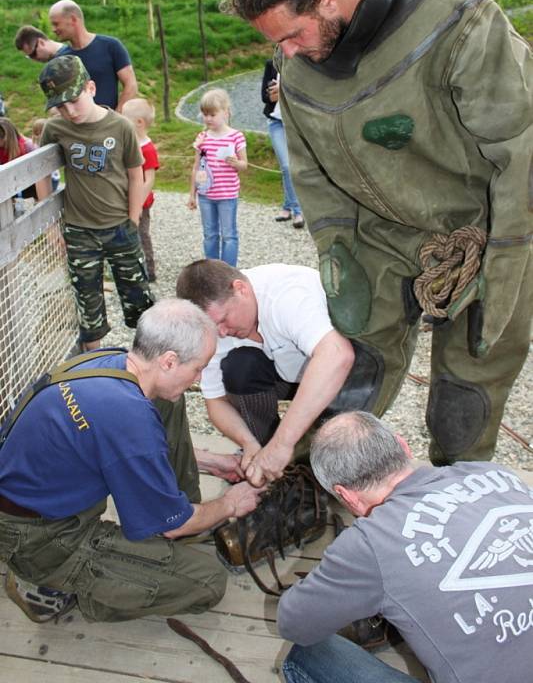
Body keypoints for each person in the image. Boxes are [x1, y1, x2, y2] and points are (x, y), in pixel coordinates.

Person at [223, 0, 533, 465]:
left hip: (481, 226)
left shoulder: (453, 17)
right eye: (277, 43)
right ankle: (323, 487)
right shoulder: (297, 67)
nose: (285, 56)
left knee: (465, 391)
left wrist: (507, 259)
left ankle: (454, 492)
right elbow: (312, 170)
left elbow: (520, 147)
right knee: (354, 367)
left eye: (291, 36)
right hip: (379, 236)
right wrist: (337, 248)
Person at [0, 298, 264, 624]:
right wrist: (230, 504)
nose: (198, 379)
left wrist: (208, 461)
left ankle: (169, 510)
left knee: (168, 401)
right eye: (198, 368)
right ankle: (57, 586)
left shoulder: (112, 362)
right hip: (39, 535)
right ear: (168, 361)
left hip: (43, 491)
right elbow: (131, 443)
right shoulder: (128, 419)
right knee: (207, 582)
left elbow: (120, 447)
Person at [278, 411, 533, 683]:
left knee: (307, 657)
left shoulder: (368, 543)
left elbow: (294, 624)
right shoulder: (495, 474)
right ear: (403, 446)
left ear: (345, 495)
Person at [176, 259, 356, 488]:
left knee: (329, 442)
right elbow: (216, 404)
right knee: (238, 367)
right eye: (213, 327)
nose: (222, 333)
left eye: (223, 320)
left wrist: (284, 443)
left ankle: (315, 471)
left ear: (241, 289)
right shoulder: (215, 328)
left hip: (337, 375)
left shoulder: (286, 295)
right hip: (285, 372)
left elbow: (338, 355)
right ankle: (270, 463)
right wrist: (248, 442)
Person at [39, 55, 153, 351]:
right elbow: (42, 175)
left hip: (119, 227)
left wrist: (133, 219)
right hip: (79, 232)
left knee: (138, 298)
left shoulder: (121, 127)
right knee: (87, 305)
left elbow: (135, 174)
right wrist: (49, 227)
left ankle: (147, 359)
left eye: (73, 100)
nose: (69, 111)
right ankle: (95, 365)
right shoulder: (55, 129)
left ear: (90, 88)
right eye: (60, 106)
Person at [187, 89, 247, 267]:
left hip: (227, 195)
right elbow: (196, 166)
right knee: (210, 234)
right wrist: (192, 194)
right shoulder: (202, 137)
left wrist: (236, 163)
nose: (208, 119)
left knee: (229, 235)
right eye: (205, 114)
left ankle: (228, 270)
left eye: (212, 114)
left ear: (225, 112)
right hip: (206, 195)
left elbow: (245, 165)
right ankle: (212, 268)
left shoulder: (236, 136)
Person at [48, 0, 138, 111]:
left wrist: (116, 117)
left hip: (108, 122)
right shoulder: (61, 59)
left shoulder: (110, 46)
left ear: (73, 19)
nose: (53, 29)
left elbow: (131, 84)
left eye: (56, 24)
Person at [261, 59, 304, 228]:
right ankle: (298, 211)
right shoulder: (270, 64)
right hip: (276, 123)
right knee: (286, 166)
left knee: (294, 166)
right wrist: (272, 95)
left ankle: (287, 207)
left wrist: (284, 90)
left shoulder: (301, 63)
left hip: (296, 122)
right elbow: (264, 97)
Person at [122, 98, 160, 282]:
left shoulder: (147, 149)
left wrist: (137, 204)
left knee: (142, 234)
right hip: (127, 199)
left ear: (139, 122)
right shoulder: (128, 143)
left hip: (142, 202)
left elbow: (149, 178)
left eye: (124, 118)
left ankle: (149, 269)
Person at [0, 116, 51, 206]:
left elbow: (42, 171)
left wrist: (41, 202)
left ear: (7, 136)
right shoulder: (2, 150)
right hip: (10, 185)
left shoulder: (28, 147)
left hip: (32, 184)